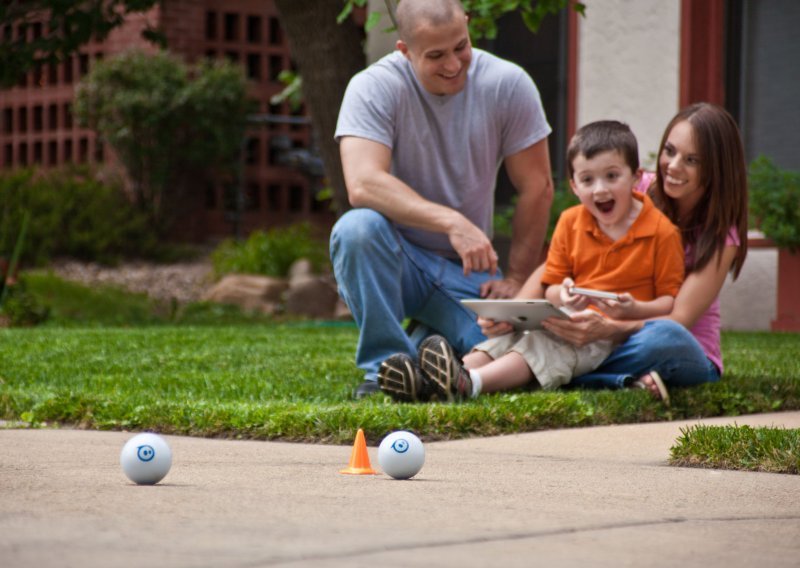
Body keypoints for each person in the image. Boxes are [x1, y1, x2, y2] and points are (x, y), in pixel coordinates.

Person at [330, 0, 554, 398]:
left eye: (460, 47)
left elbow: (537, 186)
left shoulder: (508, 83)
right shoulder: (372, 87)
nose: (453, 64)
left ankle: (425, 344)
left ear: (468, 26)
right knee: (356, 229)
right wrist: (453, 222)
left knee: (510, 347)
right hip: (395, 260)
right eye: (435, 55)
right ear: (404, 50)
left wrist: (518, 279)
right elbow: (363, 183)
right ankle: (382, 369)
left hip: (466, 275)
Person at [377, 121, 684, 402]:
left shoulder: (662, 232)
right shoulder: (570, 221)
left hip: (608, 338)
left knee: (543, 346)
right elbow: (551, 285)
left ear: (636, 177)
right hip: (565, 318)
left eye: (612, 176)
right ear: (575, 186)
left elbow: (668, 304)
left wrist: (632, 309)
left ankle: (468, 384)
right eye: (587, 180)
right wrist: (563, 295)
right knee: (508, 337)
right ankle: (432, 381)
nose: (600, 189)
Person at [521, 102, 748, 401]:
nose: (674, 166)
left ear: (716, 167)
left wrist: (608, 329)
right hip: (606, 340)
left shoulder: (721, 236)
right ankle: (617, 379)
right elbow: (560, 260)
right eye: (670, 150)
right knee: (533, 332)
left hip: (677, 348)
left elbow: (678, 319)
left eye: (692, 160)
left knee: (666, 338)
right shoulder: (637, 186)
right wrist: (516, 311)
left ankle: (551, 371)